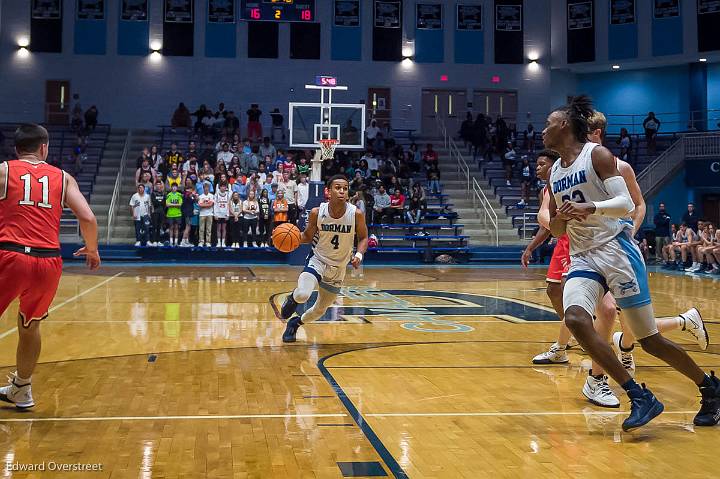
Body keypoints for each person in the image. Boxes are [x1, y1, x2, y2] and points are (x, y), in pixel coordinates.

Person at [543, 95, 719, 430]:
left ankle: (710, 388)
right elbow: (555, 226)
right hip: (583, 256)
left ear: (565, 125)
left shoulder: (597, 155)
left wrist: (590, 208)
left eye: (548, 124)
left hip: (617, 252)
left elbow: (625, 203)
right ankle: (639, 395)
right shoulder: (554, 171)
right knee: (577, 319)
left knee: (649, 339)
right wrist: (559, 222)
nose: (543, 131)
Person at [0, 124, 100, 408]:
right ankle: (22, 388)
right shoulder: (63, 177)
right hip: (48, 261)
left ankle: (20, 389)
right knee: (29, 326)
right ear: (44, 148)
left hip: (9, 255)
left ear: (16, 149)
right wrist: (91, 249)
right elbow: (89, 218)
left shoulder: (4, 170)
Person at [279, 175, 369, 343]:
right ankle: (292, 298)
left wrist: (358, 255)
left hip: (338, 268)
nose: (342, 191)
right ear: (328, 191)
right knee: (303, 294)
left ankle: (295, 323)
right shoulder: (317, 212)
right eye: (337, 187)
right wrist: (287, 238)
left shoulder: (356, 214)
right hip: (318, 260)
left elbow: (363, 238)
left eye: (345, 188)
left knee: (319, 311)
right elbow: (306, 236)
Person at [149, 180, 166, 247]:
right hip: (155, 212)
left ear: (161, 186)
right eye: (157, 185)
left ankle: (158, 241)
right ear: (156, 186)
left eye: (160, 184)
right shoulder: (153, 193)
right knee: (154, 227)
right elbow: (154, 202)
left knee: (159, 227)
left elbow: (164, 203)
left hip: (161, 212)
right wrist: (160, 202)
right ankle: (154, 241)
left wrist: (160, 202)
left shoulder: (164, 194)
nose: (158, 186)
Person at [197, 182, 214, 247]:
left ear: (209, 188)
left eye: (207, 187)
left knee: (208, 229)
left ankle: (208, 242)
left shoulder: (211, 196)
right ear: (203, 188)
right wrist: (207, 204)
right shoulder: (200, 196)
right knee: (201, 229)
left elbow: (211, 204)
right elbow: (200, 205)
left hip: (209, 214)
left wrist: (204, 205)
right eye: (205, 187)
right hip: (202, 214)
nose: (206, 189)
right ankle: (201, 241)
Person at [214, 183, 230, 248]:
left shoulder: (227, 195)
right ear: (219, 188)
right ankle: (218, 242)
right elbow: (215, 205)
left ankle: (223, 243)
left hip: (225, 214)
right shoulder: (216, 195)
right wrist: (215, 214)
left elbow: (228, 205)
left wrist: (228, 214)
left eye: (224, 187)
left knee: (224, 229)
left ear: (226, 188)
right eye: (222, 186)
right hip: (218, 214)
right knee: (218, 228)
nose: (223, 188)